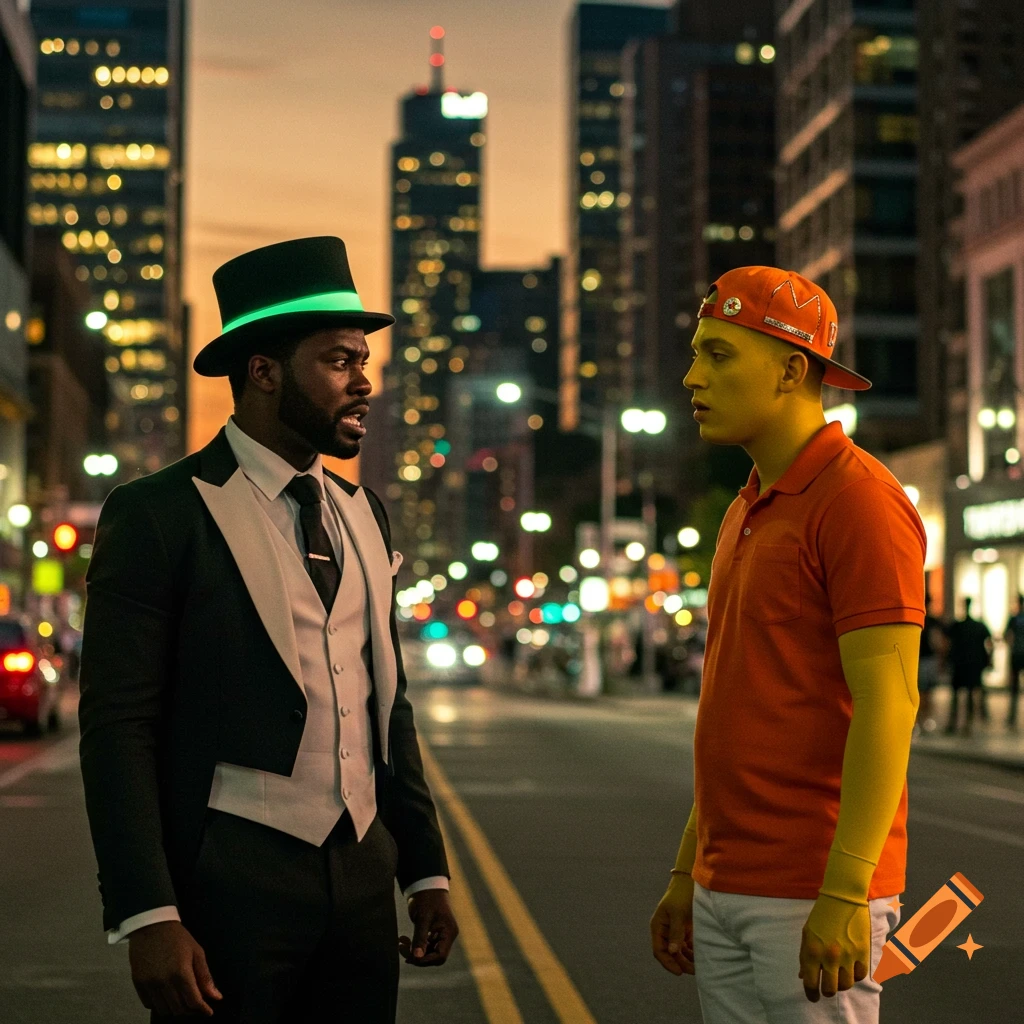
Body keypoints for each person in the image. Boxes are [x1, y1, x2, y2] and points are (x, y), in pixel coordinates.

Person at [78, 236, 458, 1024]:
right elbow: (118, 726)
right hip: (229, 886)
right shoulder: (160, 514)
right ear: (263, 370)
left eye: (364, 359)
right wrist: (149, 914)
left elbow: (388, 705)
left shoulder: (363, 511)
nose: (364, 383)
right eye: (339, 361)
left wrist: (425, 874)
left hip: (360, 883)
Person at [650, 267, 924, 1024]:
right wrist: (687, 869)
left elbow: (890, 704)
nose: (691, 375)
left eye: (718, 355)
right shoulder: (745, 507)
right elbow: (735, 706)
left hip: (810, 888)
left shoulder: (860, 501)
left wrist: (845, 891)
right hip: (724, 884)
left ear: (792, 370)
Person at [943, 597, 992, 736]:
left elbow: (948, 644)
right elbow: (989, 643)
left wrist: (946, 660)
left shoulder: (958, 626)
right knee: (970, 694)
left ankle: (954, 723)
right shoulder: (978, 626)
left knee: (957, 695)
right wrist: (988, 659)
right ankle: (966, 725)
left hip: (960, 663)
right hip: (973, 663)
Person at [915, 594, 945, 734]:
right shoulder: (933, 621)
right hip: (929, 660)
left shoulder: (917, 618)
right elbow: (938, 642)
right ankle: (926, 720)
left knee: (919, 692)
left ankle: (918, 721)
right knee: (928, 692)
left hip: (919, 659)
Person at [1003, 594, 1024, 729]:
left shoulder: (1014, 618)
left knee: (1014, 687)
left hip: (1016, 654)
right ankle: (1011, 715)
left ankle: (1012, 715)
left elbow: (1006, 635)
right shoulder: (1015, 618)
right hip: (1019, 653)